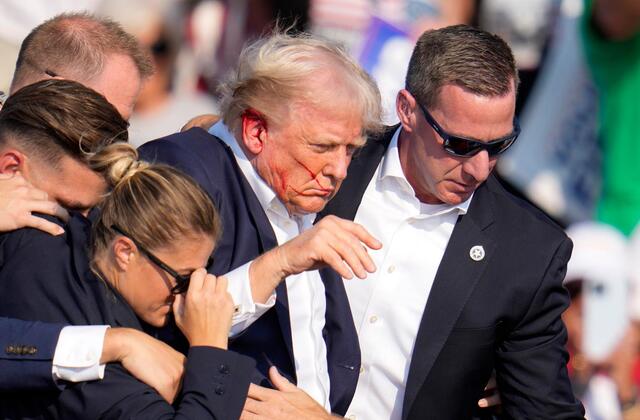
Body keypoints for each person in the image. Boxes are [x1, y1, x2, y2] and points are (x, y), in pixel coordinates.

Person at [310, 24, 583, 419]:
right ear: (407, 110)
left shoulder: (527, 253)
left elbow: (546, 411)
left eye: (499, 145)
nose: (480, 169)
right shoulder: (328, 164)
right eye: (460, 145)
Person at [139, 32, 383, 416]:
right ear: (256, 131)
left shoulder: (293, 181)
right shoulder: (184, 170)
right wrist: (281, 262)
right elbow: (160, 315)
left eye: (350, 150)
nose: (339, 170)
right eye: (322, 147)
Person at [0, 13, 188, 398]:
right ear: (57, 90)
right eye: (107, 117)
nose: (113, 141)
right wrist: (113, 344)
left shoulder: (89, 189)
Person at [0, 138, 254, 418]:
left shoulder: (36, 230)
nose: (189, 294)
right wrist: (211, 348)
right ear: (125, 252)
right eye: (183, 279)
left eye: (203, 273)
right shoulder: (102, 369)